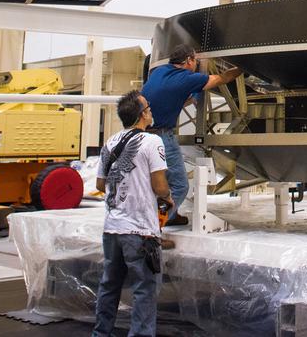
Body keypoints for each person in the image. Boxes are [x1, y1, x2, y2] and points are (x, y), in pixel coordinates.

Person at [92, 90, 172, 337]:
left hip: (112, 228)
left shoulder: (111, 141)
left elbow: (99, 184)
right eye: (147, 107)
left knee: (109, 286)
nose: (151, 111)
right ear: (142, 115)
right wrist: (168, 197)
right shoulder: (152, 141)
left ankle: (100, 333)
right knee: (145, 289)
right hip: (139, 231)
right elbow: (160, 186)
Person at [140, 46, 241, 226]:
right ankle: (155, 225)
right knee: (179, 185)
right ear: (188, 61)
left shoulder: (159, 72)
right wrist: (243, 66)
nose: (196, 64)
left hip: (143, 136)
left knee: (158, 182)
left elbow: (175, 97)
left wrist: (193, 94)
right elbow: (222, 78)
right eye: (195, 60)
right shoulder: (186, 78)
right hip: (162, 137)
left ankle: (171, 215)